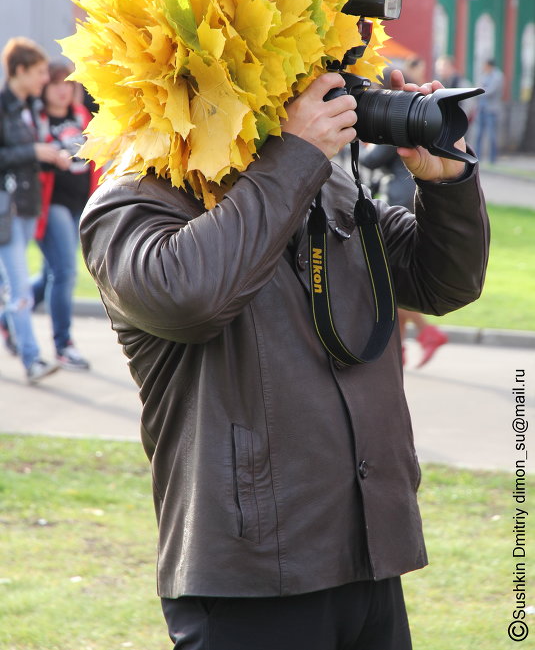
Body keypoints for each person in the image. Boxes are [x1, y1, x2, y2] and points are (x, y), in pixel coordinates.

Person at [80, 66, 489, 650]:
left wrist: (446, 181)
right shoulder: (133, 201)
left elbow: (444, 281)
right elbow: (190, 297)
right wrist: (296, 158)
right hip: (250, 574)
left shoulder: (329, 184)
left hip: (367, 551)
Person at [0, 37, 70, 383]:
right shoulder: (3, 106)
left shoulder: (29, 107)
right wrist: (36, 153)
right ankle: (32, 360)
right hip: (7, 211)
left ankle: (8, 323)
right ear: (21, 70)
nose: (46, 79)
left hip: (27, 207)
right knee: (21, 292)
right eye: (40, 72)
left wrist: (51, 155)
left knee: (15, 287)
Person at [31, 61, 98, 370]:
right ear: (45, 87)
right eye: (57, 83)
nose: (63, 89)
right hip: (50, 204)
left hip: (78, 202)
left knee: (50, 274)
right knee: (66, 272)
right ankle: (64, 344)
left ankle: (7, 317)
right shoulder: (37, 120)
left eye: (69, 84)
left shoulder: (81, 115)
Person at [359, 142, 449, 367]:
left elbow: (369, 160)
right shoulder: (418, 123)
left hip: (401, 203)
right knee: (394, 280)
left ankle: (426, 332)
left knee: (389, 283)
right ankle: (397, 352)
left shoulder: (395, 127)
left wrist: (366, 144)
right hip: (411, 198)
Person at [475, 59, 504, 164]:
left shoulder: (497, 76)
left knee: (492, 135)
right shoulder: (484, 75)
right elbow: (478, 86)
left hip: (491, 110)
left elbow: (491, 91)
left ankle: (492, 159)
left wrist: (480, 91)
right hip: (481, 109)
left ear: (489, 66)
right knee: (478, 134)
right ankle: (477, 158)